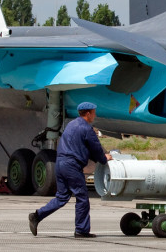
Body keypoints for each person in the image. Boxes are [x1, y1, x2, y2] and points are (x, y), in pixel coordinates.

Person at [29, 102, 111, 238]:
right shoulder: (86, 128)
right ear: (88, 113)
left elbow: (82, 148)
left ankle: (37, 216)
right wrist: (104, 158)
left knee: (62, 197)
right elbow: (95, 149)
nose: (95, 115)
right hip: (71, 166)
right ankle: (81, 230)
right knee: (82, 197)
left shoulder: (71, 125)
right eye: (94, 112)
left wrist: (99, 157)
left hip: (60, 164)